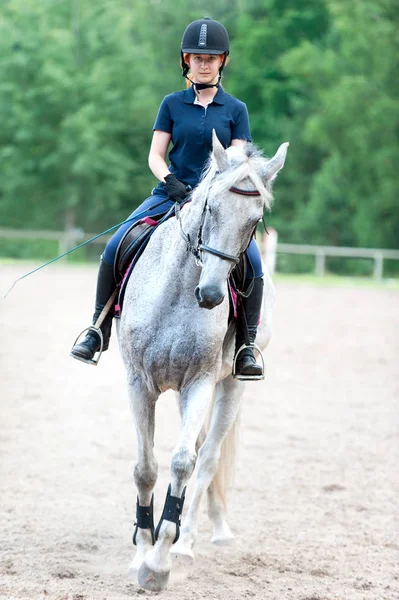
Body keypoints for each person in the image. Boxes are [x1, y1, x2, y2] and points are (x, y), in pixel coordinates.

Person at [71, 16, 264, 377]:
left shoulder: (236, 110)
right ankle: (98, 329)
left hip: (218, 202)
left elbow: (237, 163)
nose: (203, 64)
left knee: (252, 261)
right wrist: (172, 181)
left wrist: (212, 192)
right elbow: (155, 156)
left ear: (222, 61)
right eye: (196, 57)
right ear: (185, 61)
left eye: (210, 58)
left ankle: (245, 347)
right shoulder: (172, 104)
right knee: (116, 245)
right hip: (171, 192)